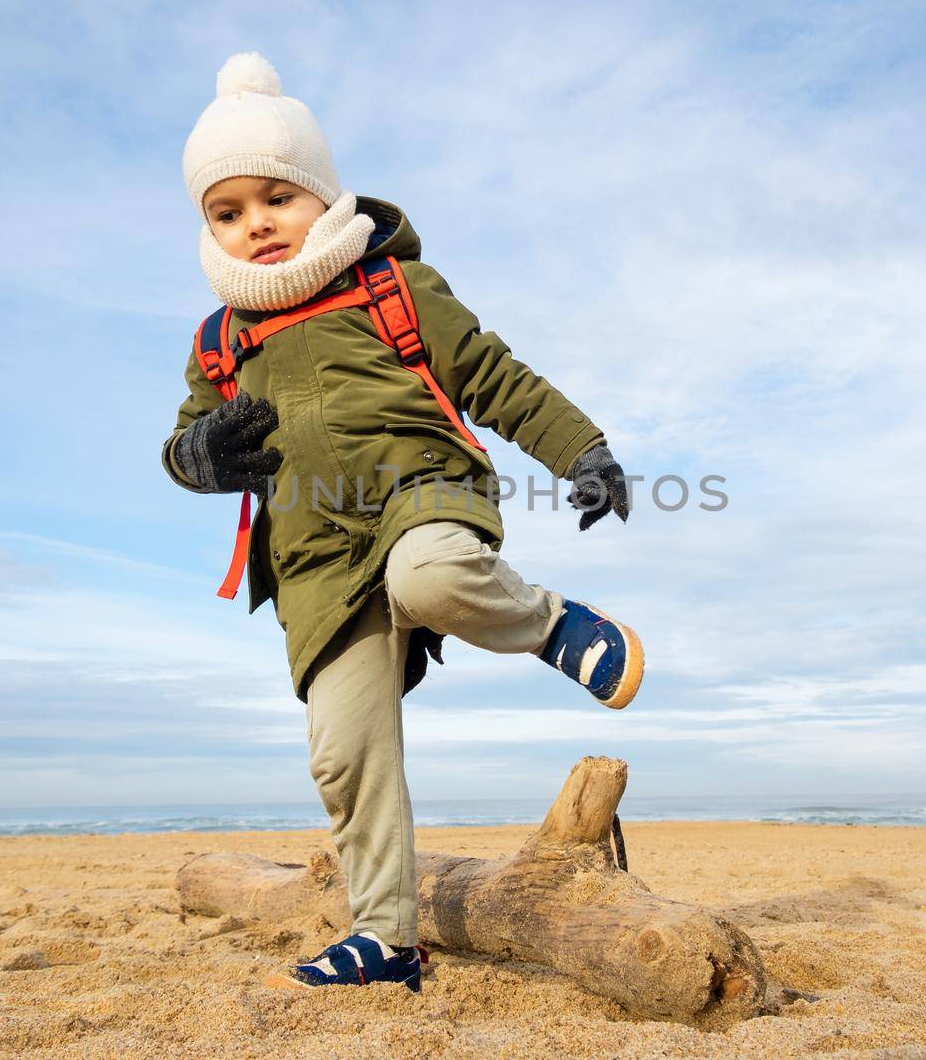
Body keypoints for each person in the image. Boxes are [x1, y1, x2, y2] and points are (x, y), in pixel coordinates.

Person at [162, 52, 644, 993]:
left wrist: (579, 449)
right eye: (228, 211)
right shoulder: (219, 339)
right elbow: (185, 439)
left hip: (420, 493)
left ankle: (554, 624)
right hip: (310, 556)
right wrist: (199, 457)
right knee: (343, 752)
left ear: (321, 194)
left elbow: (493, 375)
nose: (256, 223)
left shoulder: (392, 287)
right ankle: (385, 938)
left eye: (277, 197)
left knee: (429, 576)